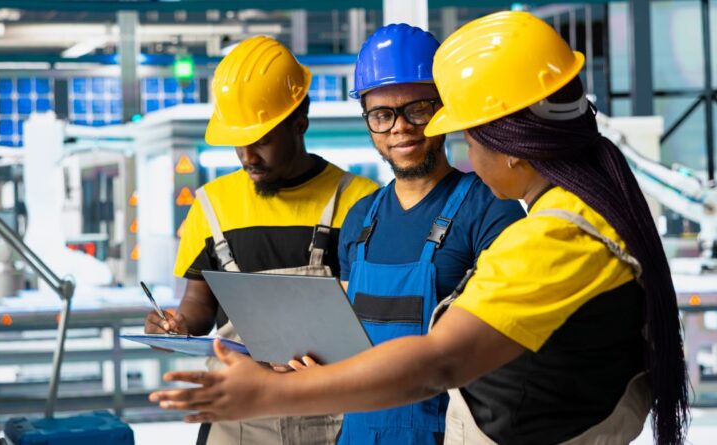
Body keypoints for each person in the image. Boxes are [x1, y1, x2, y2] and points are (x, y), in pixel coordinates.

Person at [149, 11, 689, 445]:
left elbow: (441, 360)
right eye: (382, 114)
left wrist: (265, 395)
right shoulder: (587, 214)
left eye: (459, 130)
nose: (468, 152)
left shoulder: (550, 235)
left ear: (511, 139)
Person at [144, 35, 379, 445]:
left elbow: (375, 313)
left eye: (263, 139)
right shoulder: (212, 205)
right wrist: (176, 325)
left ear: (299, 122)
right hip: (238, 416)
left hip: (330, 409)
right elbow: (198, 305)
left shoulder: (360, 201)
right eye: (239, 141)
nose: (248, 155)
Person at [306, 23, 524, 445]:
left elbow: (504, 348)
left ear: (445, 110)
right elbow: (348, 341)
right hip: (359, 432)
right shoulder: (360, 218)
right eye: (382, 115)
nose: (400, 127)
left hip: (449, 434)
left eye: (418, 108)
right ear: (368, 121)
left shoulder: (491, 210)